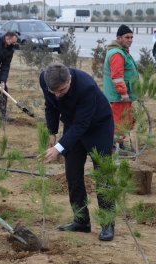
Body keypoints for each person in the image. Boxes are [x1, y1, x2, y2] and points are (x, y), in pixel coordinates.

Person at [40, 62, 115, 241]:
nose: (57, 95)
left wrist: (58, 148)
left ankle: (107, 224)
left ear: (69, 80)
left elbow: (83, 124)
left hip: (98, 126)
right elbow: (50, 106)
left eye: (62, 91)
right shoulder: (46, 80)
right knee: (73, 174)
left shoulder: (86, 86)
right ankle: (81, 221)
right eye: (54, 91)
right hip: (73, 126)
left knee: (103, 176)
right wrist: (52, 132)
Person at [103, 24, 138, 149]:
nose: (130, 40)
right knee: (118, 124)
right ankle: (115, 148)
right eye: (127, 37)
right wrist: (123, 93)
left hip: (122, 96)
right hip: (119, 97)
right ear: (119, 38)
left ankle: (119, 145)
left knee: (124, 122)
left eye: (131, 37)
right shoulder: (117, 54)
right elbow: (117, 77)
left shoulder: (122, 52)